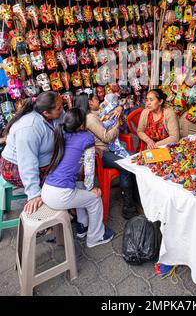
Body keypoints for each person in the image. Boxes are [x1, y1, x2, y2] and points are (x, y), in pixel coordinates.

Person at [41, 108, 115, 247]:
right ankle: (96, 237)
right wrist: (92, 187)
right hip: (60, 195)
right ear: (82, 125)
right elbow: (89, 168)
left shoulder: (62, 133)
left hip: (47, 190)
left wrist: (94, 150)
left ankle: (82, 226)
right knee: (95, 197)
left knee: (80, 186)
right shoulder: (86, 137)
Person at [74, 93, 138, 219]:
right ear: (90, 103)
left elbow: (110, 108)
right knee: (127, 165)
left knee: (135, 159)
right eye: (95, 99)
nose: (99, 100)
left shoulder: (95, 114)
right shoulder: (91, 119)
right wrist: (117, 124)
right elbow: (107, 138)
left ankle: (134, 197)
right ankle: (128, 207)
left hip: (109, 150)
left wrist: (119, 107)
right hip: (102, 154)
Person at [0, 92, 63, 214]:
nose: (62, 110)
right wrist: (34, 194)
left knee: (67, 172)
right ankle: (45, 219)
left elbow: (66, 124)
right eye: (59, 108)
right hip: (15, 168)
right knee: (57, 182)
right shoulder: (30, 127)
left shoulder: (53, 114)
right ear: (46, 112)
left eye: (62, 106)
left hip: (40, 163)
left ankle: (64, 207)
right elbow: (27, 163)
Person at [98, 93, 128, 158]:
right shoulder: (114, 107)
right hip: (109, 135)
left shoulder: (109, 107)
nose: (102, 102)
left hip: (110, 134)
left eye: (105, 100)